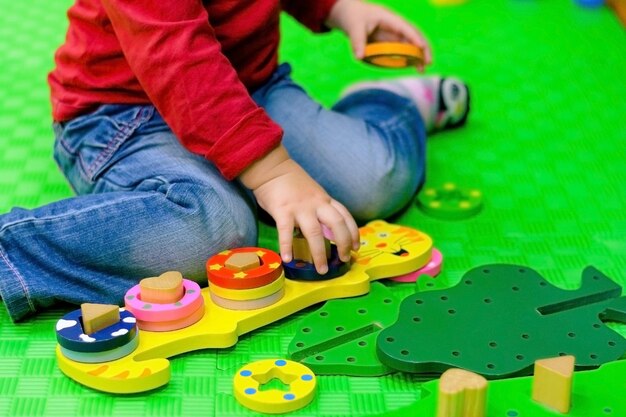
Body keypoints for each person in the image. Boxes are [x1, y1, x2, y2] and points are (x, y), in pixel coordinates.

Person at [0, 0, 469, 322]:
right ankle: (11, 251)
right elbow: (174, 55)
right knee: (220, 232)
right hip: (125, 113)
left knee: (373, 181)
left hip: (249, 88)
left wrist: (336, 8)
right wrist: (273, 170)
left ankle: (386, 104)